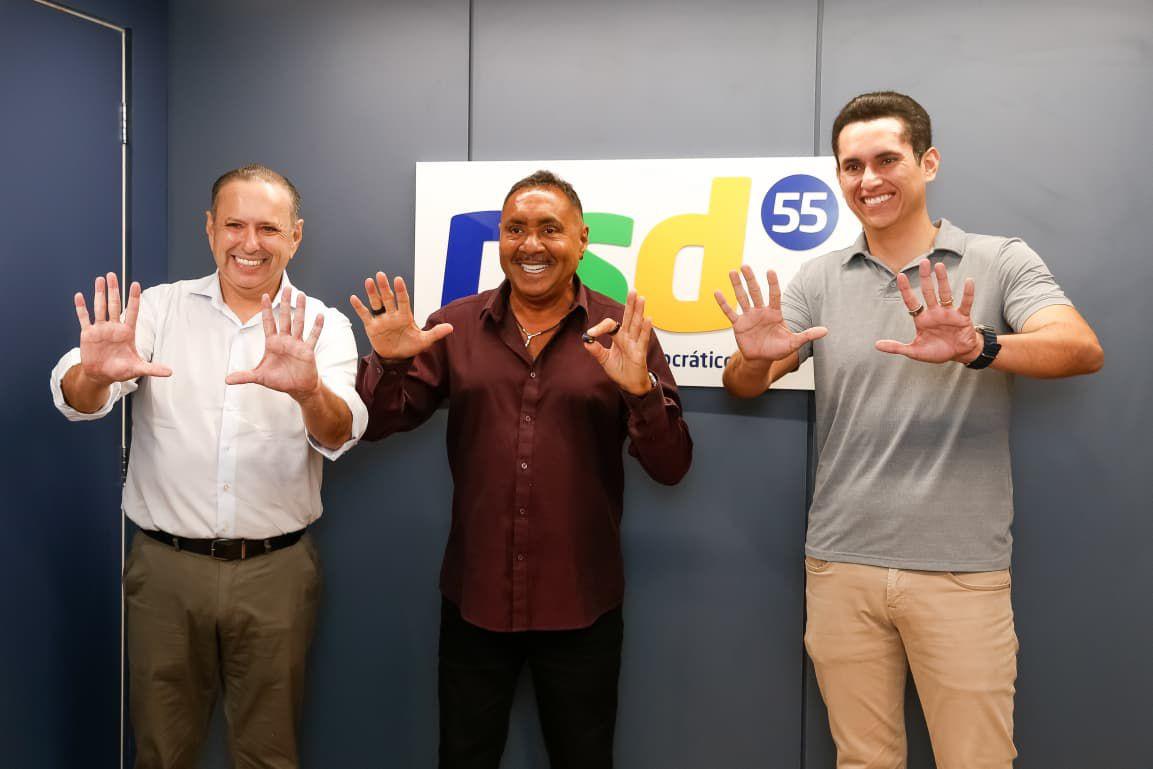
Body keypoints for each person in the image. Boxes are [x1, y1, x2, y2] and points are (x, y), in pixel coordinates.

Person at [715, 92, 1103, 769]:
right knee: (863, 761)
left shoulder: (997, 258)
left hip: (958, 570)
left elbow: (1079, 348)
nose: (868, 180)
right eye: (851, 166)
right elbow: (743, 383)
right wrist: (750, 359)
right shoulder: (817, 275)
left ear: (927, 162)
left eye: (886, 160)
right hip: (839, 565)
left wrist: (978, 346)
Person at [352, 170, 692, 769]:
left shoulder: (622, 332)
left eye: (549, 230)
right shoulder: (453, 325)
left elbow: (671, 466)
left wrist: (640, 392)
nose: (530, 245)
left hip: (581, 600)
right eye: (515, 230)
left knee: (584, 758)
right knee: (463, 756)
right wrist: (388, 363)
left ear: (582, 240)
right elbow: (382, 423)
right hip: (475, 597)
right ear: (501, 240)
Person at [50, 164, 368, 769]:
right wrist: (91, 373)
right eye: (234, 225)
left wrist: (308, 392)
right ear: (209, 229)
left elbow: (340, 434)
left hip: (276, 573)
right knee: (161, 752)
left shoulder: (322, 327)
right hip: (164, 573)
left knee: (268, 754)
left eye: (268, 229)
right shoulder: (157, 311)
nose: (250, 244)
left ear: (295, 237)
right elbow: (77, 401)